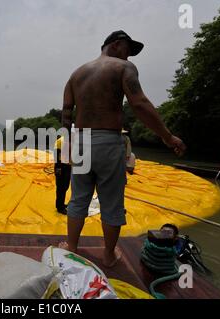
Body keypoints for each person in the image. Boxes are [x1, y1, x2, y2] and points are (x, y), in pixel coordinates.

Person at [59, 30, 186, 267]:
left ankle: (72, 248)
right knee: (112, 202)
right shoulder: (122, 68)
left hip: (81, 142)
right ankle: (108, 255)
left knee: (77, 199)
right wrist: (167, 137)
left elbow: (66, 113)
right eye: (129, 50)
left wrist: (67, 148)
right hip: (108, 141)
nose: (129, 57)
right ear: (117, 45)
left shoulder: (76, 74)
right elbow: (139, 103)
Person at [54, 135, 71, 215]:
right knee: (61, 186)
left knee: (65, 186)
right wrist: (58, 169)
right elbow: (56, 155)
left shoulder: (70, 139)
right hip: (60, 166)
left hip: (67, 166)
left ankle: (62, 204)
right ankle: (59, 207)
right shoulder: (61, 141)